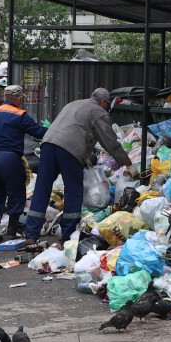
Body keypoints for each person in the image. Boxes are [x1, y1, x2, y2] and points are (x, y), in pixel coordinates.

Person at [18, 87, 133, 247]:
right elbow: (110, 142)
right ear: (103, 102)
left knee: (42, 189)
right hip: (69, 151)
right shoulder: (98, 111)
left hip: (48, 144)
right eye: (107, 105)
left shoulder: (74, 104)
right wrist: (127, 163)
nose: (107, 109)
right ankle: (68, 235)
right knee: (73, 190)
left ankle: (31, 235)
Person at [0, 85, 46, 240]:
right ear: (18, 99)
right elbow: (37, 132)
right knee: (16, 192)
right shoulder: (19, 115)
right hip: (8, 158)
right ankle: (11, 229)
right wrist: (52, 129)